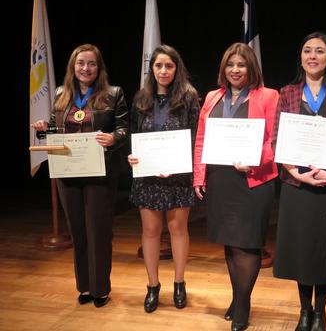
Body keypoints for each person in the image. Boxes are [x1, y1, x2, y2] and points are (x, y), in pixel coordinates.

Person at [272, 32, 326, 331]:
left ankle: (320, 311)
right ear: (300, 56)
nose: (312, 56)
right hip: (298, 185)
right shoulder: (288, 92)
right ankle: (304, 310)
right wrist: (294, 172)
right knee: (301, 250)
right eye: (307, 50)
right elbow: (277, 137)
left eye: (319, 51)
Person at [31, 43, 128, 307]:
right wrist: (42, 129)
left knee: (98, 231)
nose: (86, 68)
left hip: (100, 173)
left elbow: (124, 128)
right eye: (81, 63)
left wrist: (113, 138)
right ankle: (85, 287)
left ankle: (101, 288)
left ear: (99, 67)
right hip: (68, 173)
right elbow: (52, 131)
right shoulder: (62, 94)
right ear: (73, 67)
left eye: (91, 63)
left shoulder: (113, 93)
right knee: (78, 231)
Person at [193, 42, 278, 331]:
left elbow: (275, 140)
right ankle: (238, 297)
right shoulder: (212, 97)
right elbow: (202, 139)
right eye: (230, 65)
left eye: (241, 64)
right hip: (220, 179)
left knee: (248, 243)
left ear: (251, 67)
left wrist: (254, 162)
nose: (235, 70)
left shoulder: (268, 96)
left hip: (252, 179)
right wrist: (199, 177)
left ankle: (243, 304)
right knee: (230, 243)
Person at [128, 45, 200, 313]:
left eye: (169, 66)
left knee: (178, 230)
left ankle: (179, 283)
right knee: (150, 232)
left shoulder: (189, 97)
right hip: (147, 176)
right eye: (158, 66)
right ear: (152, 69)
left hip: (179, 176)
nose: (163, 71)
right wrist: (133, 157)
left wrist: (179, 165)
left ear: (176, 68)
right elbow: (135, 136)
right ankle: (152, 286)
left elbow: (196, 136)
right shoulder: (141, 98)